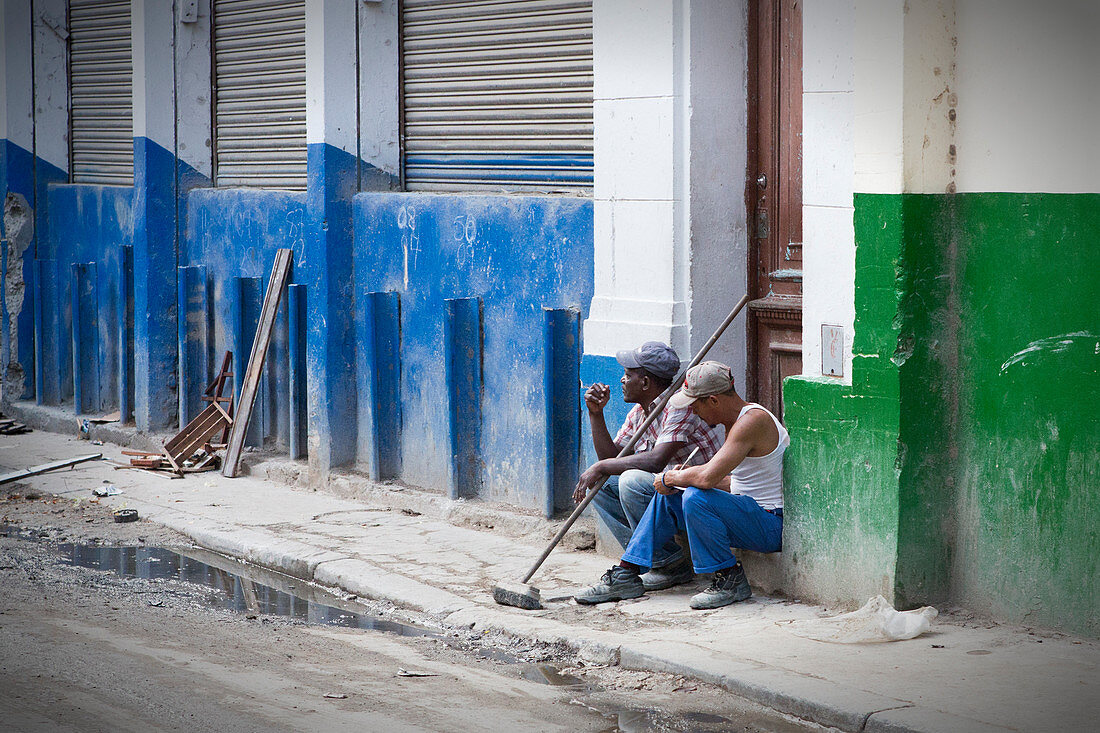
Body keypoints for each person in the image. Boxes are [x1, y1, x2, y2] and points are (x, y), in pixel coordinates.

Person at [574, 361, 788, 609]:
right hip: (748, 510)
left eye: (695, 405)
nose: (694, 412)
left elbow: (707, 479)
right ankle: (627, 571)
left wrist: (675, 477)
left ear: (714, 400)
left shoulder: (751, 420)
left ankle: (729, 577)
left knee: (695, 495)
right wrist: (681, 479)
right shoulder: (734, 422)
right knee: (673, 494)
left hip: (770, 521)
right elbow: (732, 483)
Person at [572, 342, 722, 599]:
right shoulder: (639, 413)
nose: (622, 379)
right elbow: (611, 459)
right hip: (666, 492)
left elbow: (655, 461)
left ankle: (665, 564)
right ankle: (665, 560)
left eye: (628, 375)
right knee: (600, 485)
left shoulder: (678, 407)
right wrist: (596, 414)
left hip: (697, 497)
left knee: (630, 481)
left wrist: (601, 466)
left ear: (644, 383)